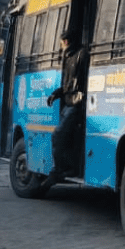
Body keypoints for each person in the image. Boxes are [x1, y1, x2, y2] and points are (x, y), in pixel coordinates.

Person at [46, 31, 89, 181]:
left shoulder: (81, 55)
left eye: (61, 42)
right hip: (68, 102)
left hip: (75, 104)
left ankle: (59, 170)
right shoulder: (68, 57)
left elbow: (80, 82)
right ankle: (67, 168)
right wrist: (56, 94)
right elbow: (67, 85)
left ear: (65, 41)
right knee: (64, 138)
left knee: (58, 135)